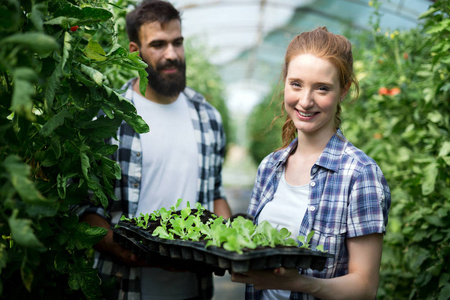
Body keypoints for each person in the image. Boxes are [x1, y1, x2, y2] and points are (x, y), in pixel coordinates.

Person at [79, 0, 231, 299]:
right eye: (159, 45)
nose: (172, 54)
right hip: (124, 286)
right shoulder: (108, 117)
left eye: (177, 42)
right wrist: (123, 249)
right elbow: (85, 210)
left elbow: (215, 193)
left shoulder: (207, 117)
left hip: (193, 288)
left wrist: (225, 243)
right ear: (135, 52)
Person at [231, 27, 391, 300]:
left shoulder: (360, 174)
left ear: (344, 91)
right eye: (296, 84)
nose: (305, 101)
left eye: (322, 88)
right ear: (285, 82)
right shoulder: (270, 167)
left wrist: (300, 283)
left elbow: (365, 288)